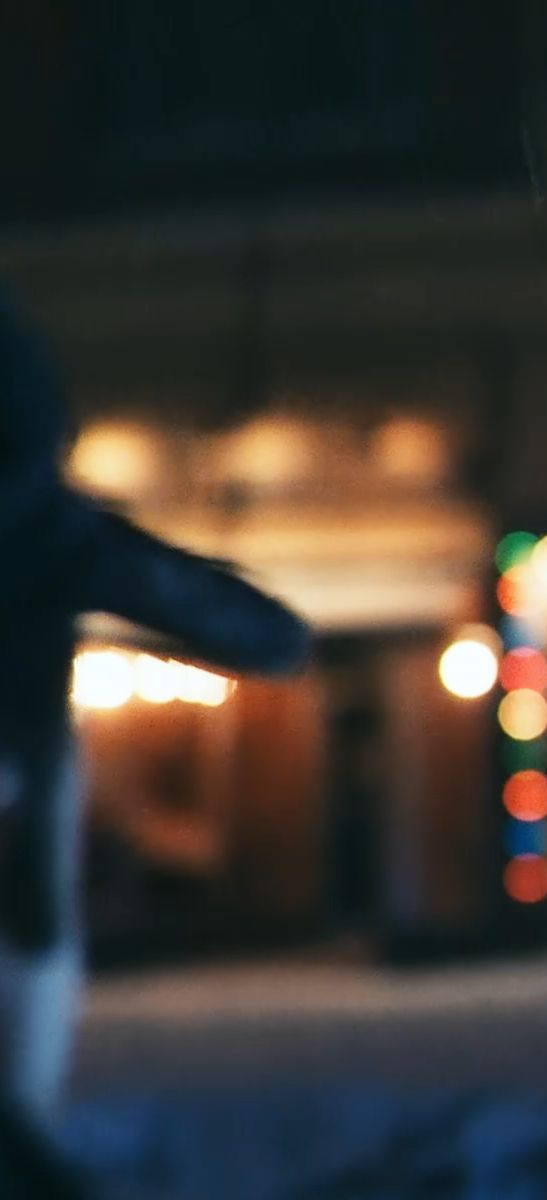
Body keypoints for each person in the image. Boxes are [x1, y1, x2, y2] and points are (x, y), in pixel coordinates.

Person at [0, 294, 308, 1195]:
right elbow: (261, 631)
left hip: (23, 748)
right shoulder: (47, 527)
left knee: (36, 920)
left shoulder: (46, 527)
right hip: (24, 744)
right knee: (36, 927)